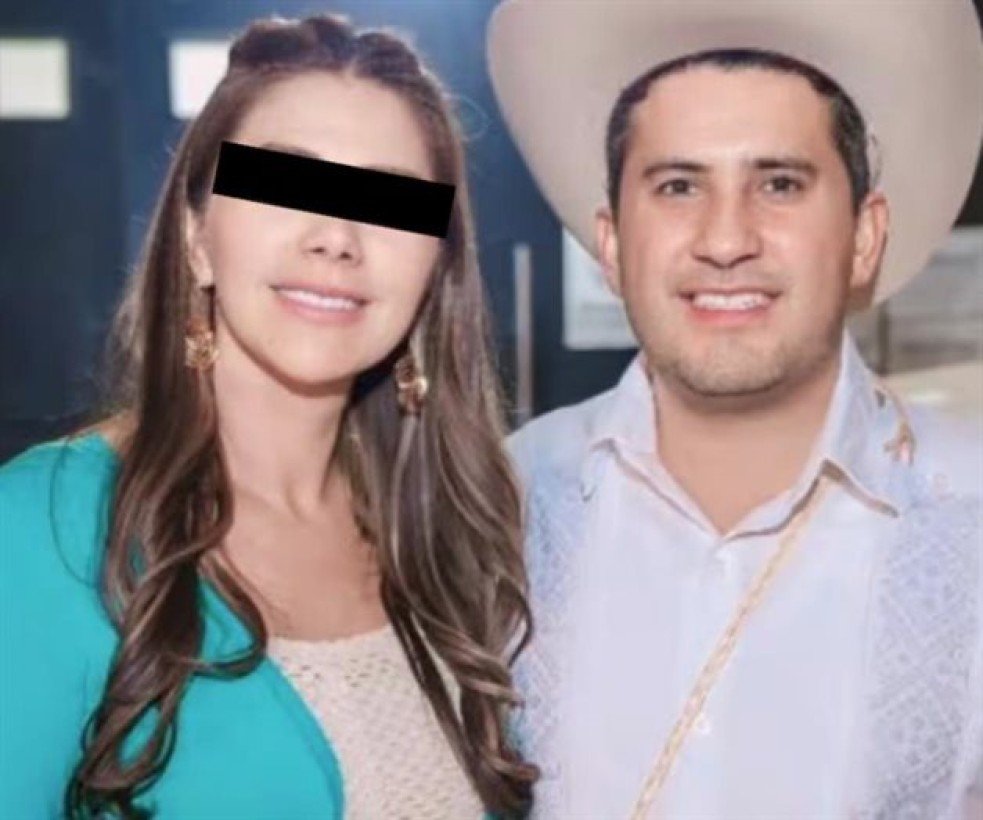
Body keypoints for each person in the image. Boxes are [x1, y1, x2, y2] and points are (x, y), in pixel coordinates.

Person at [0, 14, 535, 818]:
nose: (337, 237)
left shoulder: (456, 532)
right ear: (197, 239)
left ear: (434, 271)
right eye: (286, 186)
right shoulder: (44, 527)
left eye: (389, 205)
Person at [488, 0, 983, 817]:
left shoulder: (969, 512)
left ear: (864, 236)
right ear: (610, 243)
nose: (725, 240)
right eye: (678, 186)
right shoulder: (503, 502)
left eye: (779, 184)